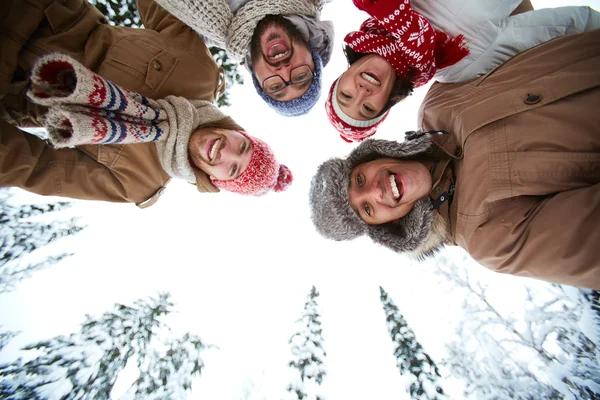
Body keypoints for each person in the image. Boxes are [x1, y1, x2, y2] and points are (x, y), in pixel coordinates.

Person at [309, 29, 600, 289]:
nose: (376, 191)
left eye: (360, 179)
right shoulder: (488, 237)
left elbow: (508, 32)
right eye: (368, 209)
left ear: (369, 157)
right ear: (386, 225)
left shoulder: (439, 105)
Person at [0, 0, 290, 206]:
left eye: (233, 169)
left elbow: (33, 167)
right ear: (240, 132)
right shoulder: (200, 71)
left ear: (216, 180)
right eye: (243, 147)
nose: (226, 152)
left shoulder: (137, 182)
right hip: (41, 11)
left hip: (12, 86)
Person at [325, 0, 600, 142]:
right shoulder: (458, 68)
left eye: (346, 96)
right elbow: (561, 30)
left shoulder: (377, 6)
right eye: (368, 109)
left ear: (343, 78)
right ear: (388, 103)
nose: (361, 93)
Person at [154, 0, 334, 117]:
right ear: (313, 55)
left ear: (256, 76)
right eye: (300, 77)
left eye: (276, 86)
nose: (284, 70)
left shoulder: (194, 28)